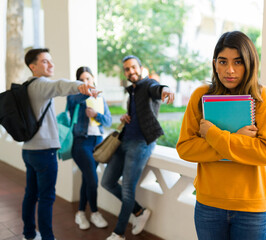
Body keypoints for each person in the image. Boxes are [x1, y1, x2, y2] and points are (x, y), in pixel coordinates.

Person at [176, 31, 266, 240]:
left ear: (249, 63)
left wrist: (212, 134)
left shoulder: (261, 96)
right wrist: (239, 139)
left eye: (238, 62)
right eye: (222, 62)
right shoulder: (200, 96)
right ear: (214, 63)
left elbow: (265, 153)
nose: (229, 70)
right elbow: (185, 147)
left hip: (253, 207)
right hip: (209, 206)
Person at [21, 48, 99, 240]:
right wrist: (81, 85)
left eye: (51, 60)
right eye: (45, 61)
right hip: (44, 152)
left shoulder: (25, 86)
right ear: (33, 67)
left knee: (31, 195)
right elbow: (60, 86)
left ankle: (29, 235)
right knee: (46, 198)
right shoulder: (41, 84)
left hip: (29, 150)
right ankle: (48, 238)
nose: (51, 64)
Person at [101, 55, 174, 240]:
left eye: (133, 67)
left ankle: (118, 234)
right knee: (107, 182)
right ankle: (140, 212)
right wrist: (127, 117)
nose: (131, 71)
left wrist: (164, 90)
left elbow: (156, 88)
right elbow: (138, 113)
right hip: (124, 141)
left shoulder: (148, 84)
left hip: (141, 143)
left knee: (127, 189)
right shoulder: (132, 90)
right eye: (127, 69)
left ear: (140, 68)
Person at [67, 66, 112, 230]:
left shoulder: (101, 98)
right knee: (92, 179)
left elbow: (108, 121)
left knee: (87, 178)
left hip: (98, 143)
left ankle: (80, 213)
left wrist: (96, 115)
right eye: (82, 79)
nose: (86, 82)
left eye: (88, 78)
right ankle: (94, 212)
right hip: (81, 143)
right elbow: (72, 103)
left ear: (93, 78)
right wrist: (86, 92)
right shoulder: (75, 97)